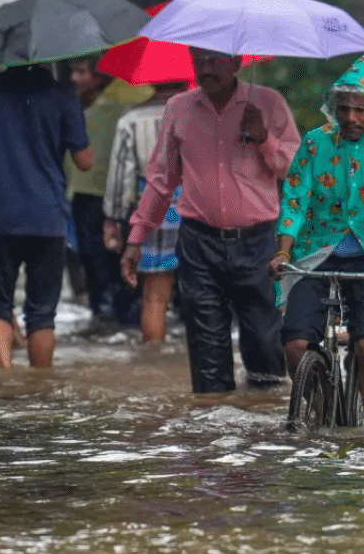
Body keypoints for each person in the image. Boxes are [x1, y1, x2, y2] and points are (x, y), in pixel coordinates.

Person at [121, 47, 300, 394]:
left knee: (265, 350)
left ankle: (264, 438)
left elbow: (295, 169)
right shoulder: (179, 108)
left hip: (257, 243)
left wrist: (264, 138)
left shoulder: (268, 103)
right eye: (199, 60)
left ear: (236, 62)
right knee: (207, 353)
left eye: (215, 60)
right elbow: (161, 178)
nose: (206, 68)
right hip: (199, 243)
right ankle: (208, 438)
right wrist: (136, 238)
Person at [271, 54, 364, 430]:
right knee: (294, 345)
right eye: (344, 109)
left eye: (359, 110)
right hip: (316, 255)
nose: (351, 117)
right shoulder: (315, 143)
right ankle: (321, 404)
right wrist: (284, 252)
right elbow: (295, 198)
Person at [0, 63, 91, 370]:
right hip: (48, 217)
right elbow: (85, 161)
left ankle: (5, 376)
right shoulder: (63, 94)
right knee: (42, 314)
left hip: (0, 215)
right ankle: (41, 385)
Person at [66, 56, 151, 329]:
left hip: (105, 198)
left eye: (82, 72)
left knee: (103, 267)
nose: (75, 79)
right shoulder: (83, 106)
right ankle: (117, 325)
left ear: (100, 76)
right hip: (95, 196)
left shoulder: (115, 108)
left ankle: (108, 323)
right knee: (107, 267)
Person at [102, 80, 189, 344]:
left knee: (154, 295)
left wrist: (112, 218)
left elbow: (121, 177)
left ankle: (154, 360)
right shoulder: (203, 113)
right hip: (198, 201)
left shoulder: (131, 119)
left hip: (152, 204)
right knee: (204, 292)